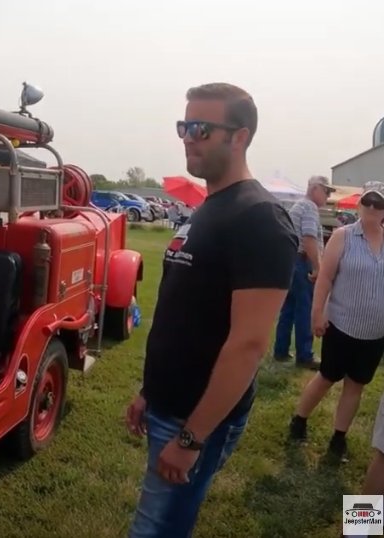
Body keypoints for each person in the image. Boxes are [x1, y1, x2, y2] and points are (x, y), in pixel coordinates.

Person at [125, 82, 298, 537]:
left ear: (238, 136)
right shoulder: (210, 207)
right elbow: (185, 315)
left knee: (156, 529)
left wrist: (191, 437)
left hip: (196, 417)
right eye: (184, 126)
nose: (187, 137)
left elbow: (248, 344)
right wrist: (150, 392)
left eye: (200, 128)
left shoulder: (259, 218)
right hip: (169, 403)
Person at [288, 181, 384, 462]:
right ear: (359, 204)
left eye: (378, 204)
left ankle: (338, 438)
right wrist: (317, 313)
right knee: (327, 377)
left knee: (356, 385)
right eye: (368, 202)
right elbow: (325, 277)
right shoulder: (342, 236)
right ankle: (299, 420)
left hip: (375, 332)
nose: (372, 208)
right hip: (341, 325)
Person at [272, 175, 335, 369]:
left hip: (292, 261)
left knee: (288, 308)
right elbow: (309, 238)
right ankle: (305, 355)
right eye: (326, 191)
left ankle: (281, 351)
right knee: (305, 308)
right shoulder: (309, 208)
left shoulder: (298, 206)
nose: (327, 196)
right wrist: (317, 266)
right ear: (315, 189)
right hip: (302, 262)